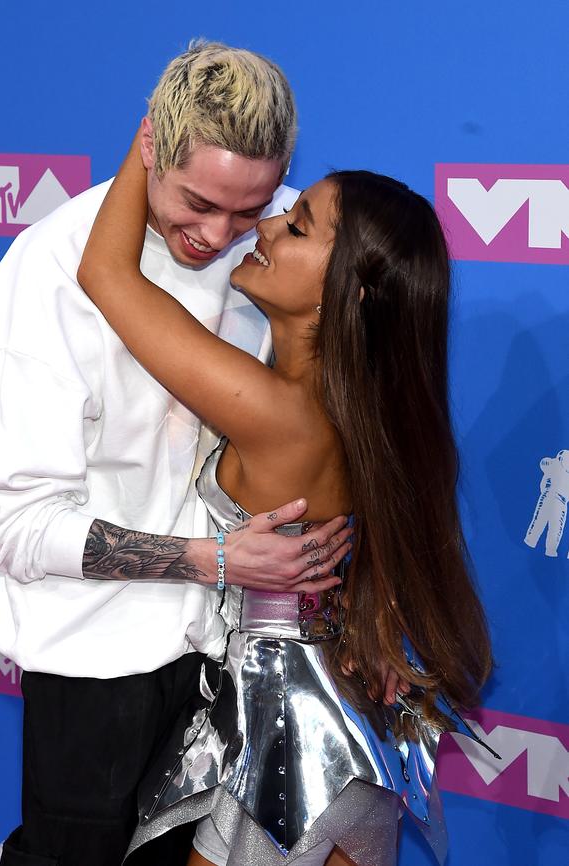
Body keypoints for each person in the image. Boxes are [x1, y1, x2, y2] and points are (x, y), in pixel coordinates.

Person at [0, 42, 353, 866]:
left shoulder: (281, 244)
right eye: (198, 203)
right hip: (94, 673)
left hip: (222, 667)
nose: (222, 236)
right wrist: (217, 559)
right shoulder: (53, 273)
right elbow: (19, 526)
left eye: (251, 209)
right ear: (150, 150)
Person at [76, 129, 496, 866]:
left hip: (282, 751)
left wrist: (155, 139)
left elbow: (105, 273)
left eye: (297, 225)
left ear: (355, 290)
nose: (265, 226)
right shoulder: (362, 412)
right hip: (342, 730)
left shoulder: (280, 412)